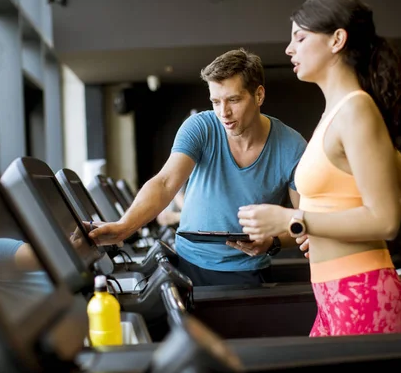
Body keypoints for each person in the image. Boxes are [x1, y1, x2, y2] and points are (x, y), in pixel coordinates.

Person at [237, 0, 401, 337]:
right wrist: (317, 229)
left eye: (300, 37)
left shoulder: (357, 110)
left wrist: (293, 219)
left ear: (337, 39)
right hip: (334, 297)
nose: (289, 49)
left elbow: (385, 220)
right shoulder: (338, 113)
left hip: (362, 295)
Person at [89, 48, 307, 286]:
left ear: (258, 95)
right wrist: (123, 227)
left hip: (248, 271)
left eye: (233, 100)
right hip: (187, 262)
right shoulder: (200, 127)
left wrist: (272, 242)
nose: (224, 112)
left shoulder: (292, 146)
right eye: (216, 101)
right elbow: (165, 183)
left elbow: (304, 221)